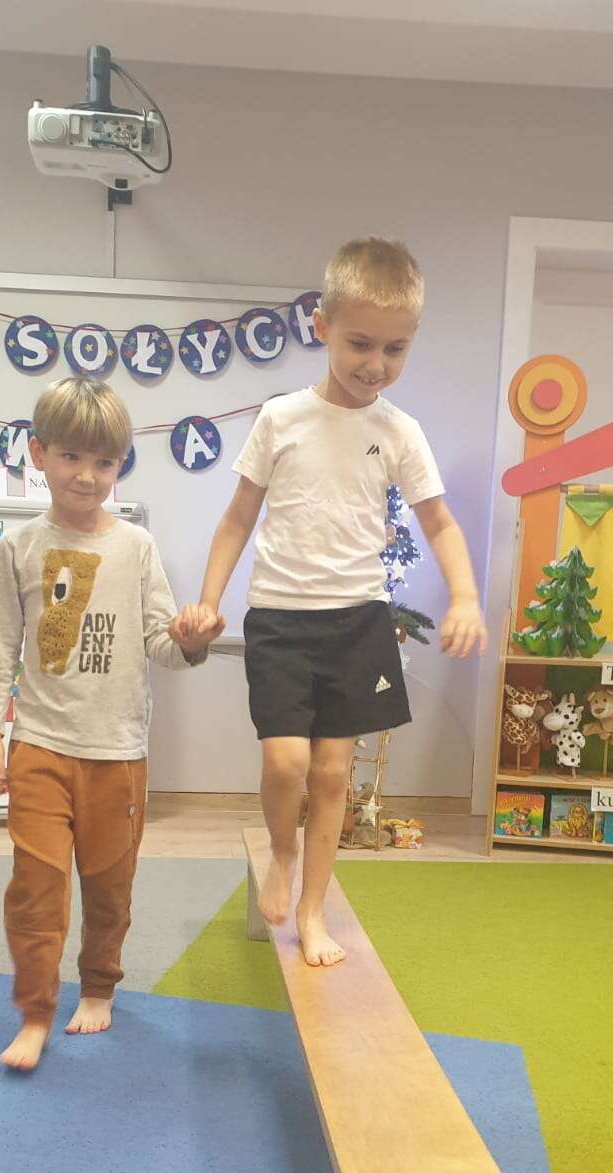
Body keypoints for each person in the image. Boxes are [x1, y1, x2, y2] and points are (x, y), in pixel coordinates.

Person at [170, 236, 487, 966]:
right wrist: (209, 600)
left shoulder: (398, 431)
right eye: (359, 343)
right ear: (321, 326)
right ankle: (281, 854)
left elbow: (438, 521)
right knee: (286, 764)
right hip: (280, 619)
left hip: (357, 621)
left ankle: (313, 911)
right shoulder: (281, 418)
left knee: (333, 773)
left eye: (395, 348)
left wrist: (465, 595)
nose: (376, 364)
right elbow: (237, 517)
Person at [0, 376, 223, 1072]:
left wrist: (192, 638)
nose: (87, 476)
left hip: (117, 753)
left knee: (110, 888)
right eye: (71, 457)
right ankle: (34, 1011)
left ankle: (98, 985)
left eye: (104, 462)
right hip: (39, 746)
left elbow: (163, 646)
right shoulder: (18, 547)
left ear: (120, 465)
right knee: (34, 887)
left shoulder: (136, 547)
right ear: (38, 453)